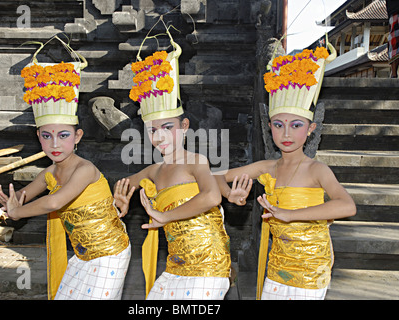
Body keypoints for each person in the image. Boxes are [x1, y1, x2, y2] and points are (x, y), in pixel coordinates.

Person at [215, 43, 356, 300]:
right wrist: (228, 193)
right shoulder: (267, 167)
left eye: (296, 125)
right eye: (279, 125)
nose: (287, 133)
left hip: (311, 267)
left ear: (311, 128)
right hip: (278, 265)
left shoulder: (317, 170)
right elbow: (214, 177)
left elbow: (347, 206)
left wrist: (292, 215)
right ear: (270, 127)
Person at [0, 42, 132, 300]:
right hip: (82, 255)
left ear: (77, 136)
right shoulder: (49, 173)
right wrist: (12, 200)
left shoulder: (85, 170)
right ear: (39, 137)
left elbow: (54, 201)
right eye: (47, 136)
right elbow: (26, 194)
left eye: (63, 135)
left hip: (110, 254)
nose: (54, 144)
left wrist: (16, 212)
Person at [116, 30, 231, 300]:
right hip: (174, 268)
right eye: (152, 130)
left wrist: (164, 216)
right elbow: (122, 187)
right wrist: (120, 201)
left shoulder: (195, 161)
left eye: (167, 127)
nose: (159, 137)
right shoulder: (153, 171)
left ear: (184, 126)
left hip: (208, 267)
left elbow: (212, 196)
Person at [387, 0, 399, 77]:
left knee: (394, 44)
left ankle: (393, 73)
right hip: (395, 12)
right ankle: (393, 73)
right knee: (394, 44)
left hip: (394, 12)